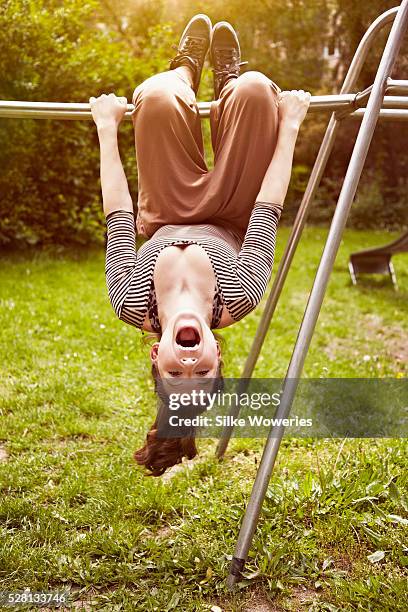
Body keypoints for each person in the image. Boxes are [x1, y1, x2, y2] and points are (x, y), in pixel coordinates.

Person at [90, 14, 310, 476]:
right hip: (232, 211)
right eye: (201, 373)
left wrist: (107, 128)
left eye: (174, 374)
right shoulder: (239, 296)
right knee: (256, 91)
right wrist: (289, 125)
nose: (188, 363)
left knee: (155, 98)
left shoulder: (132, 303)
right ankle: (228, 84)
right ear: (217, 355)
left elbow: (117, 215)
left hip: (167, 209)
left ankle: (185, 69)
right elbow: (267, 207)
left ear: (156, 355)